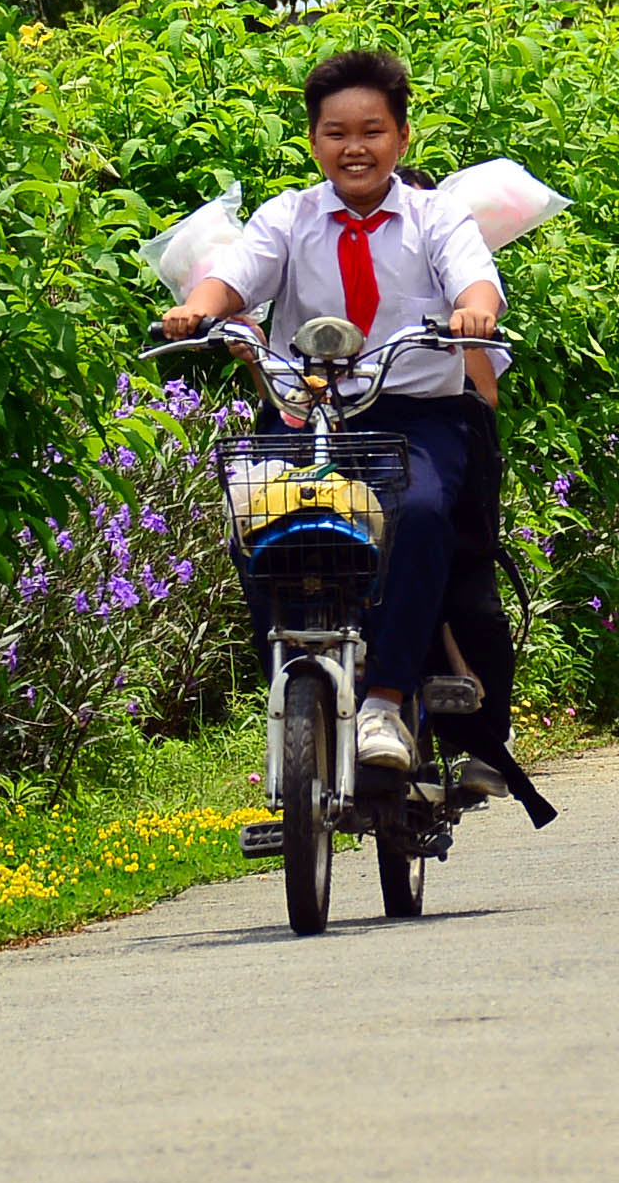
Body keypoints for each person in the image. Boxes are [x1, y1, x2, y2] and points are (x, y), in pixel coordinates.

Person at [157, 48, 503, 772]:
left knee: (423, 513)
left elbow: (475, 281)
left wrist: (473, 311)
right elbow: (234, 278)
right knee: (254, 519)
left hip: (414, 415)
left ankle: (386, 700)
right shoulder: (289, 217)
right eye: (336, 132)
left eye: (372, 131)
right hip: (304, 414)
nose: (355, 147)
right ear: (313, 141)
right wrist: (198, 308)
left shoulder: (437, 217)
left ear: (402, 137)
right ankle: (291, 680)